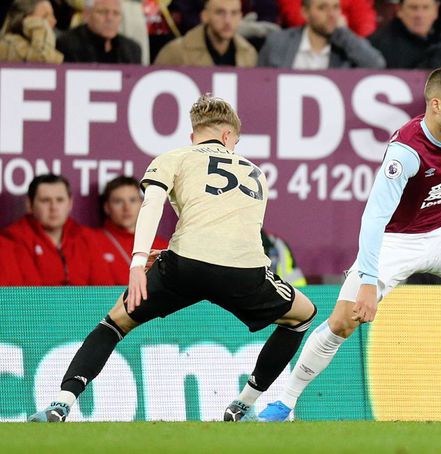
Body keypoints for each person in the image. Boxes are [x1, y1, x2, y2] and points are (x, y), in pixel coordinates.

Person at [257, 67, 441, 422]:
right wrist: (369, 281)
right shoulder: (404, 152)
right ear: (435, 105)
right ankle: (285, 403)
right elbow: (373, 218)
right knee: (343, 321)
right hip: (396, 241)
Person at [28, 94, 317, 423]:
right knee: (303, 316)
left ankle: (62, 403)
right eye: (235, 140)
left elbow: (151, 205)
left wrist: (138, 262)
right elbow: (230, 229)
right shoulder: (255, 173)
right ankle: (244, 403)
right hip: (243, 270)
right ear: (227, 136)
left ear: (194, 136)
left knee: (114, 324)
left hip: (185, 265)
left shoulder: (175, 157)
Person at [3, 174, 113, 286]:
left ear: (70, 203)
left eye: (60, 200)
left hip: (86, 304)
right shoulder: (11, 239)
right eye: (45, 200)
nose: (54, 207)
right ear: (30, 205)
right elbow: (19, 297)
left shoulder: (86, 236)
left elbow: (104, 289)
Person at [257, 0, 385, 69]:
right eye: (322, 8)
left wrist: (343, 33)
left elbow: (376, 64)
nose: (331, 14)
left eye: (335, 7)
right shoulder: (278, 42)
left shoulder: (347, 47)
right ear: (305, 12)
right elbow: (259, 82)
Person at [94, 176, 169, 285]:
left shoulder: (162, 246)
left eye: (132, 200)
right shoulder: (91, 240)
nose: (127, 208)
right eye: (118, 201)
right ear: (107, 207)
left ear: (142, 204)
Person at [154, 0, 258, 67]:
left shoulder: (249, 54)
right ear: (205, 16)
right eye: (220, 12)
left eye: (234, 13)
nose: (227, 20)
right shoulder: (175, 52)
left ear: (240, 16)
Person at [368, 0, 441, 69]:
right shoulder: (380, 42)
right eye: (413, 8)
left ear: (436, 11)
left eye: (426, 8)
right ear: (399, 10)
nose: (419, 15)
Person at [56, 0, 142, 63]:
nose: (110, 19)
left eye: (116, 13)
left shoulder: (132, 49)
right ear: (86, 14)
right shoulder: (67, 44)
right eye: (102, 12)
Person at [277, 0, 377, 37]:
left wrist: (345, 35)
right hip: (305, 39)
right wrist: (328, 24)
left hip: (346, 44)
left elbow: (365, 23)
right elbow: (295, 16)